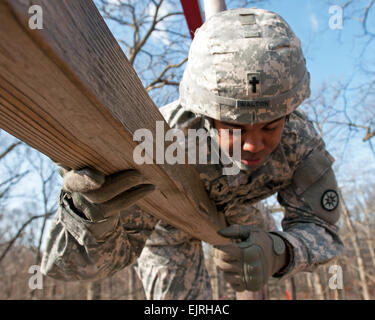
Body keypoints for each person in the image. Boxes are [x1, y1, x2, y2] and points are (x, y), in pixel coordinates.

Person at [41, 8, 344, 299]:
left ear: (288, 116)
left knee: (257, 244)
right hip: (170, 221)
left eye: (270, 128)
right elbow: (72, 267)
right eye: (235, 129)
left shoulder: (300, 143)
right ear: (206, 115)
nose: (252, 145)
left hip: (244, 213)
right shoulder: (162, 141)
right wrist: (91, 215)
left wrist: (279, 251)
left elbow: (324, 232)